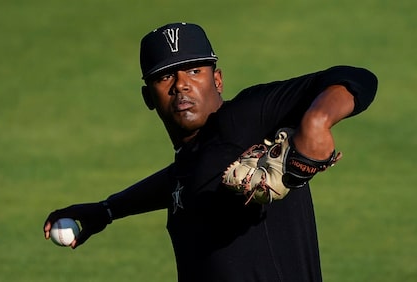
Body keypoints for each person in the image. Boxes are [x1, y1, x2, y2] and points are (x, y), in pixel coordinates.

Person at [44, 22, 378, 282]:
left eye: (194, 71)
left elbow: (356, 78)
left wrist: (318, 121)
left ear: (217, 80)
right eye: (165, 76)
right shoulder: (193, 160)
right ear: (149, 97)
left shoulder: (247, 117)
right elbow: (182, 180)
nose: (181, 84)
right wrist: (106, 210)